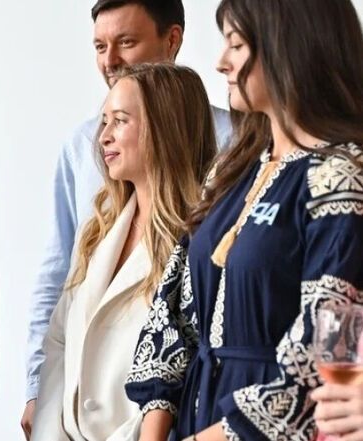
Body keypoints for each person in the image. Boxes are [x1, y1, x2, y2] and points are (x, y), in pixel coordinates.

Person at [124, 0, 363, 439]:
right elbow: (173, 309)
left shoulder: (341, 177)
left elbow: (324, 361)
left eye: (236, 44)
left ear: (288, 47)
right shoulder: (231, 169)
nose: (221, 62)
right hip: (194, 420)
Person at [21, 1, 233, 435]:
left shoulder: (237, 154)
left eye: (126, 42)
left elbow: (189, 358)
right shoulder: (97, 216)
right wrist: (42, 407)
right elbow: (58, 306)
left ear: (171, 39)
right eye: (100, 46)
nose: (110, 60)